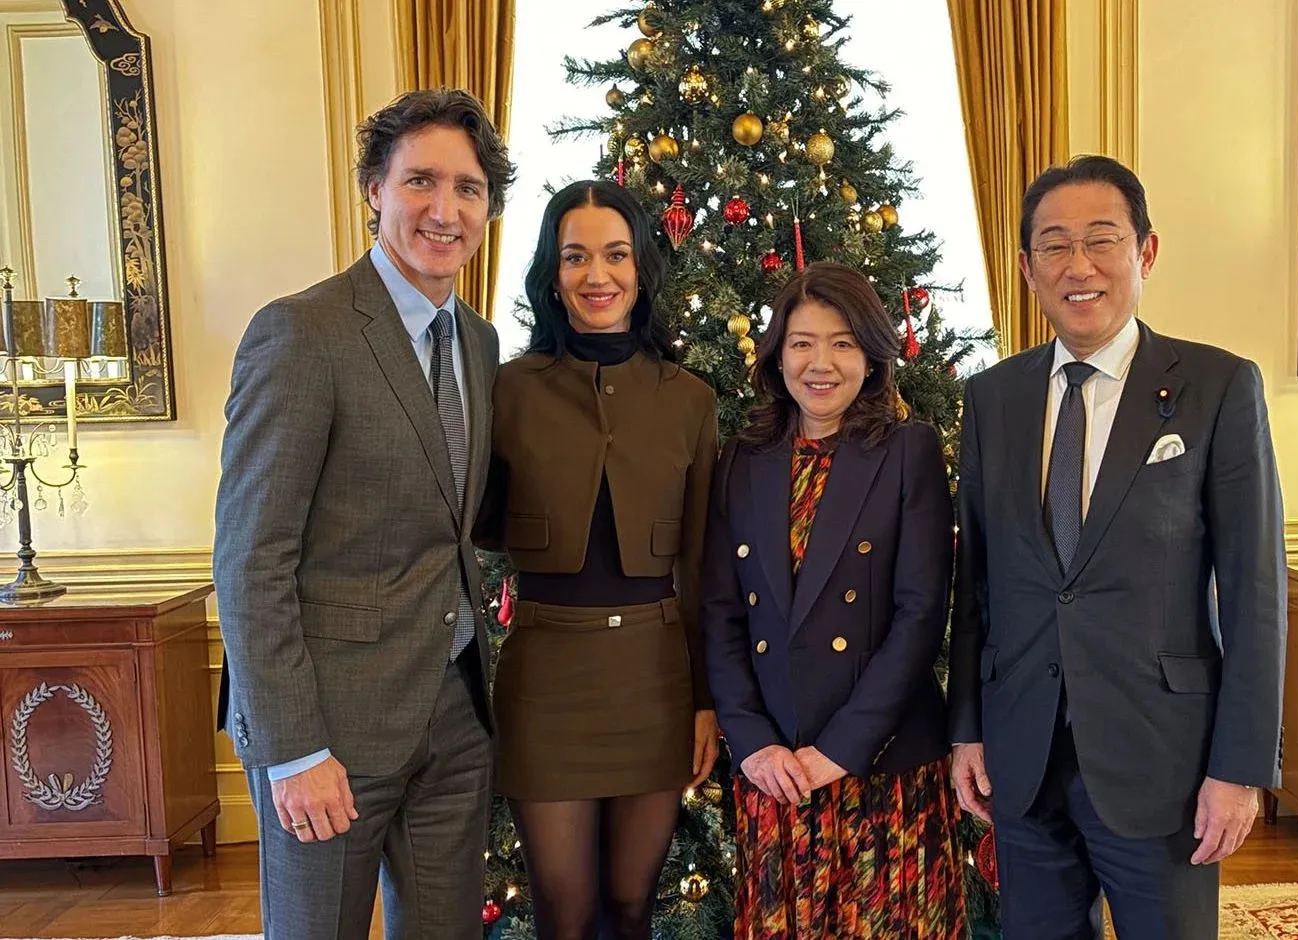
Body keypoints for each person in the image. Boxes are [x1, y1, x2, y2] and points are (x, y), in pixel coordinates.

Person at [947, 155, 1287, 939]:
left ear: (1146, 253)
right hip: (1023, 756)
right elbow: (980, 584)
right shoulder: (992, 398)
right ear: (1028, 267)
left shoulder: (1218, 387)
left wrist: (1239, 769)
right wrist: (967, 726)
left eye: (1102, 240)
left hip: (1158, 761)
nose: (1079, 265)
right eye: (1054, 245)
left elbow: (1254, 594)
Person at [214, 88, 514, 939]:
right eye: (421, 180)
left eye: (468, 189)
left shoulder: (482, 344)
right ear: (374, 189)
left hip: (455, 719)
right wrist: (295, 748)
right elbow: (250, 557)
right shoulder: (302, 333)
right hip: (330, 728)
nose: (444, 209)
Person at [472, 180, 719, 940]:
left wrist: (705, 699)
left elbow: (702, 566)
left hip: (654, 679)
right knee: (567, 914)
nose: (597, 275)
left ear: (641, 267)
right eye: (575, 257)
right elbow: (478, 527)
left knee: (629, 905)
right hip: (546, 678)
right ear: (553, 273)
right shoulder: (508, 388)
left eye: (615, 255)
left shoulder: (690, 399)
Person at [701, 261, 966, 939]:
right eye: (801, 343)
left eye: (842, 342)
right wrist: (753, 743)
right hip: (777, 773)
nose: (821, 362)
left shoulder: (908, 451)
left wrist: (842, 749)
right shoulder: (744, 458)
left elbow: (919, 614)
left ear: (872, 356)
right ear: (777, 356)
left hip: (881, 768)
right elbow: (724, 614)